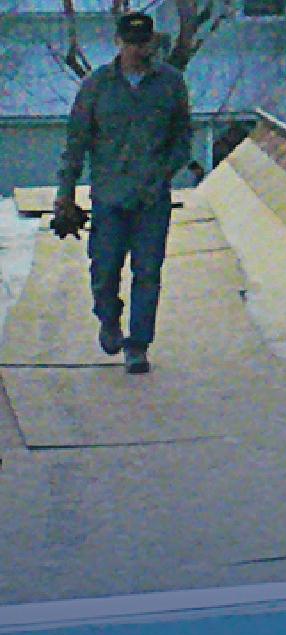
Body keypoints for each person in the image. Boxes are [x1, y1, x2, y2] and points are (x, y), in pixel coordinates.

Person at [54, 12, 192, 374]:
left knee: (147, 272)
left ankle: (138, 345)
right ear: (118, 42)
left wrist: (162, 172)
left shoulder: (170, 84)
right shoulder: (97, 86)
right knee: (104, 270)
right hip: (109, 197)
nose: (137, 50)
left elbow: (183, 139)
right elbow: (76, 142)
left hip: (151, 199)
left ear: (151, 43)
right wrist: (65, 194)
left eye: (142, 43)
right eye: (130, 43)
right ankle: (109, 318)